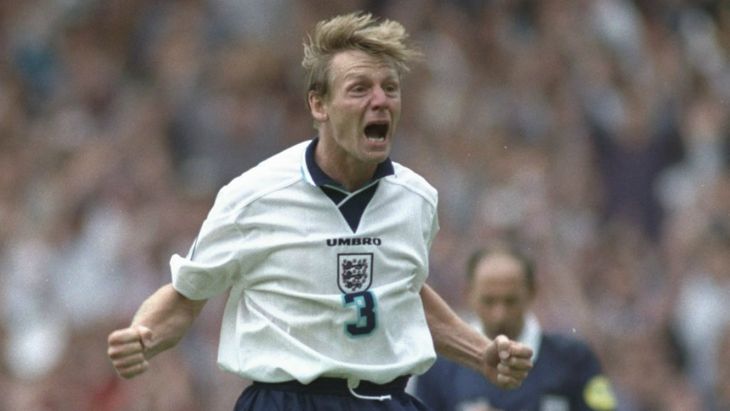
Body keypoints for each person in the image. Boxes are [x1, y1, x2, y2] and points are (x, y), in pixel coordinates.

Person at [106, 12, 533, 411]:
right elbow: (186, 295)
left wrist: (479, 352)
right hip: (287, 401)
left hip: (387, 401)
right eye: (359, 89)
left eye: (390, 88)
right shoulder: (253, 196)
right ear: (318, 105)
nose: (380, 100)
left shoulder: (416, 200)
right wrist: (143, 337)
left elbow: (403, 291)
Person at [414, 244, 616, 411]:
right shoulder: (439, 366)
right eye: (489, 301)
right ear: (468, 294)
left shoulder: (575, 359)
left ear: (532, 292)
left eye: (510, 301)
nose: (499, 314)